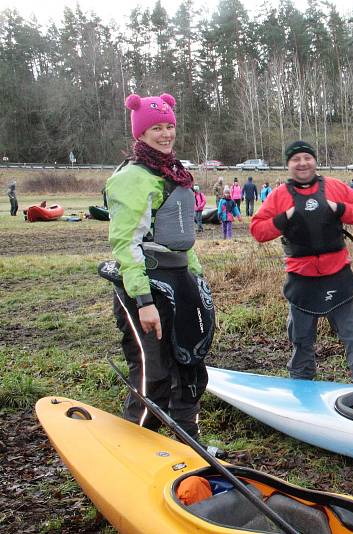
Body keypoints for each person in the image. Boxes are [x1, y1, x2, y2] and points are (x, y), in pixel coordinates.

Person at [104, 92, 214, 441]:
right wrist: (143, 301)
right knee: (154, 374)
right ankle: (135, 447)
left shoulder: (174, 173)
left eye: (169, 126)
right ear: (140, 132)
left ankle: (188, 443)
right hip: (146, 286)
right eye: (157, 128)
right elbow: (126, 243)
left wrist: (195, 278)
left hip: (179, 279)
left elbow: (182, 238)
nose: (166, 134)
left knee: (190, 366)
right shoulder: (131, 178)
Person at [250, 141, 353, 387]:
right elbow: (257, 230)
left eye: (307, 158)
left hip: (339, 277)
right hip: (302, 281)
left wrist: (337, 208)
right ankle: (301, 386)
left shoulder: (333, 186)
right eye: (296, 159)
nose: (302, 163)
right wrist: (286, 216)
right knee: (301, 341)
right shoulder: (280, 195)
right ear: (288, 164)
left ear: (314, 161)